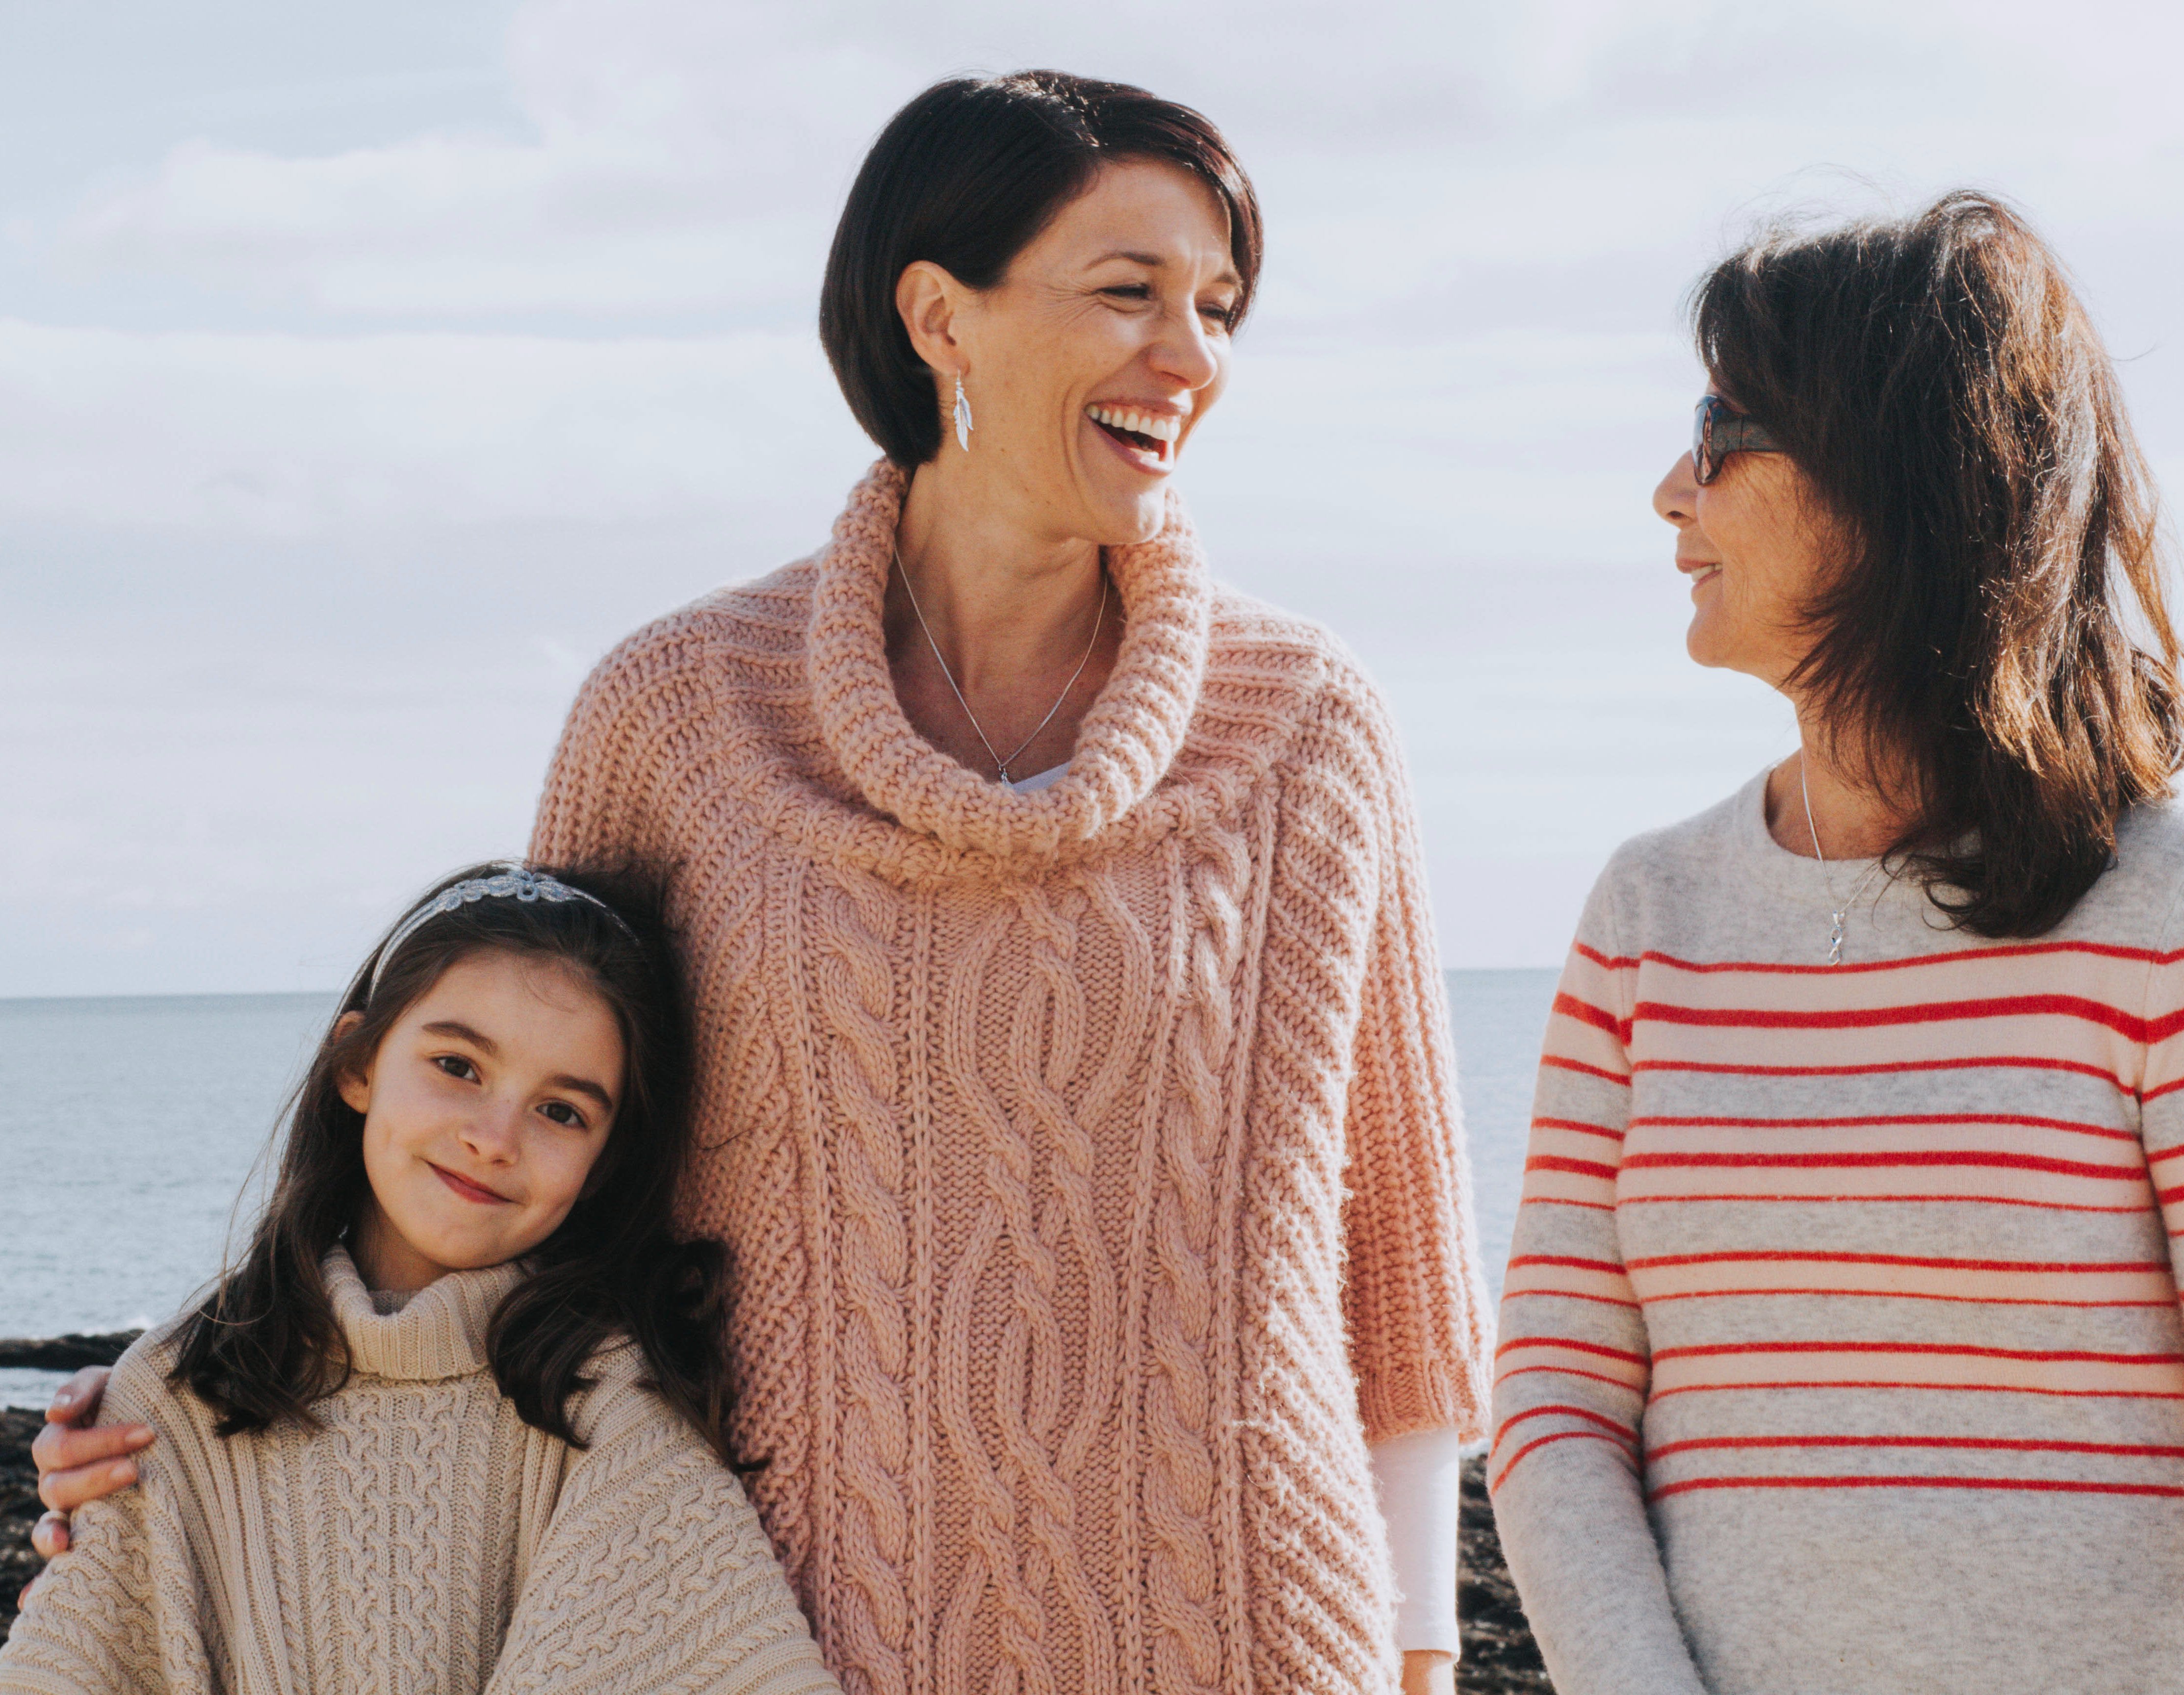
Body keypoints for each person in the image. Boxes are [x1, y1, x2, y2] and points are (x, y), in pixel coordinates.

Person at [38, 73, 1493, 1695]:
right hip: (770, 1640)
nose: (1192, 357)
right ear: (939, 314)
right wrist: (182, 1396)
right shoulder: (677, 717)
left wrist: (1424, 1652)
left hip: (1249, 1638)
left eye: (1219, 306)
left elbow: (1398, 1287)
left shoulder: (1307, 725)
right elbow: (507, 1167)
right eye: (1129, 292)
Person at [1486, 190, 2184, 1694]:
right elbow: (1551, 1412)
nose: (1673, 491)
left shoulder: (2180, 898)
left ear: (1895, 481)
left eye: (1723, 429)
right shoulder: (1645, 915)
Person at [5, 863, 841, 1695]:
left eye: (562, 1112)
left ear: (602, 1163)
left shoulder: (612, 1406)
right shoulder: (175, 1400)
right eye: (458, 1066)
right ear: (356, 1066)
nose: (495, 1136)